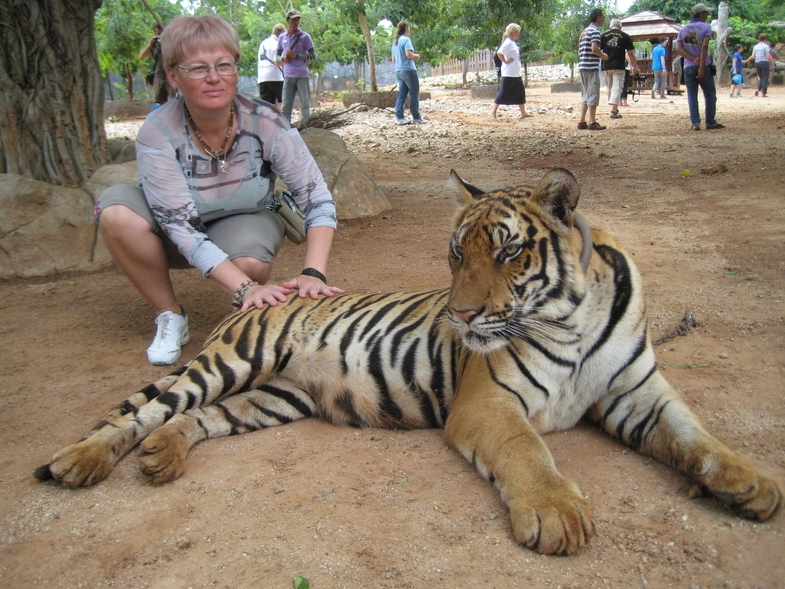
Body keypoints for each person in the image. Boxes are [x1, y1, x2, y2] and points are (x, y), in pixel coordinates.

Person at [95, 14, 342, 366]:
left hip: (240, 218)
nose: (214, 77)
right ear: (173, 76)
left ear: (236, 69)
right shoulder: (157, 131)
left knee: (250, 262)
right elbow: (180, 227)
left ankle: (244, 311)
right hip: (172, 229)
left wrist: (313, 273)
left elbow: (317, 199)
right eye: (197, 68)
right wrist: (245, 287)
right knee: (116, 213)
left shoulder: (266, 121)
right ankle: (171, 315)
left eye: (223, 65)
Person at [675, 3, 724, 131]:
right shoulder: (706, 27)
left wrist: (692, 59)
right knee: (710, 93)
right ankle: (710, 121)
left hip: (688, 66)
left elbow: (678, 49)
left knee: (692, 95)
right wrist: (701, 65)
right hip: (704, 65)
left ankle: (695, 123)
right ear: (702, 14)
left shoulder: (683, 29)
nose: (707, 16)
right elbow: (704, 46)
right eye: (706, 13)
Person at [275, 10, 316, 123]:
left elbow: (313, 56)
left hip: (302, 75)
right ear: (288, 21)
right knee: (286, 105)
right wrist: (283, 59)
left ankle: (306, 126)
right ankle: (285, 128)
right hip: (288, 75)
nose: (296, 22)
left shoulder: (305, 37)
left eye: (298, 19)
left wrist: (297, 56)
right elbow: (277, 56)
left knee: (305, 103)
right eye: (293, 19)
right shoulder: (282, 37)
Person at [490, 23, 531, 120]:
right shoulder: (508, 42)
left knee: (520, 92)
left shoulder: (512, 43)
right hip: (509, 73)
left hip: (515, 73)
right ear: (513, 32)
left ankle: (523, 112)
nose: (518, 34)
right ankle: (493, 112)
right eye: (517, 32)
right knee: (503, 92)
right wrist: (505, 61)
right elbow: (499, 53)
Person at [577, 9, 608, 130]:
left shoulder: (584, 32)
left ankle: (582, 121)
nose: (604, 19)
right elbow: (594, 48)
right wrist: (603, 56)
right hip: (591, 66)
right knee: (593, 94)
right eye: (603, 17)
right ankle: (592, 122)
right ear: (598, 17)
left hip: (583, 66)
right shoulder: (595, 31)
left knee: (585, 94)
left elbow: (580, 49)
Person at [600, 19, 638, 119]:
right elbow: (630, 54)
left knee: (610, 87)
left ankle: (614, 109)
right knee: (617, 87)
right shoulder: (625, 36)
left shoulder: (603, 35)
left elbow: (597, 50)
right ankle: (613, 110)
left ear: (610, 26)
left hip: (606, 65)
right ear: (620, 27)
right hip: (619, 65)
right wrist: (635, 67)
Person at [392, 21, 425, 125]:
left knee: (402, 94)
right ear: (406, 28)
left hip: (399, 71)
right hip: (409, 70)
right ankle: (416, 117)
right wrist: (416, 56)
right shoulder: (406, 40)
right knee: (414, 93)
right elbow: (409, 54)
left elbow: (393, 59)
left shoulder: (395, 42)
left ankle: (399, 117)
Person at [139, 24, 172, 106]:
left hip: (170, 75)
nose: (160, 36)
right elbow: (141, 57)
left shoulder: (171, 44)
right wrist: (150, 45)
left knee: (173, 99)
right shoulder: (154, 45)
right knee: (158, 99)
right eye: (158, 34)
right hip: (158, 75)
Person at [258, 23, 286, 106]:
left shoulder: (263, 43)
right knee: (282, 101)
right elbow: (278, 61)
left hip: (262, 78)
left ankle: (269, 119)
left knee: (267, 105)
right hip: (276, 76)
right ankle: (282, 118)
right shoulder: (276, 44)